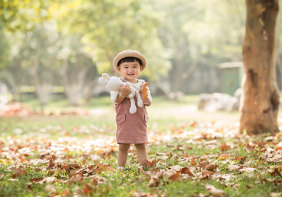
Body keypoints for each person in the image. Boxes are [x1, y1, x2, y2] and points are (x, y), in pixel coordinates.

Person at [110, 49, 152, 169]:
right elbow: (115, 101)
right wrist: (122, 94)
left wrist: (147, 101)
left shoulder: (142, 84)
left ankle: (143, 165)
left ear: (140, 68)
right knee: (123, 145)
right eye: (126, 67)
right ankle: (121, 167)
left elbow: (148, 100)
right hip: (125, 120)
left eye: (134, 66)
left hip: (139, 120)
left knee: (141, 144)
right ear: (119, 69)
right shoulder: (117, 84)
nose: (130, 70)